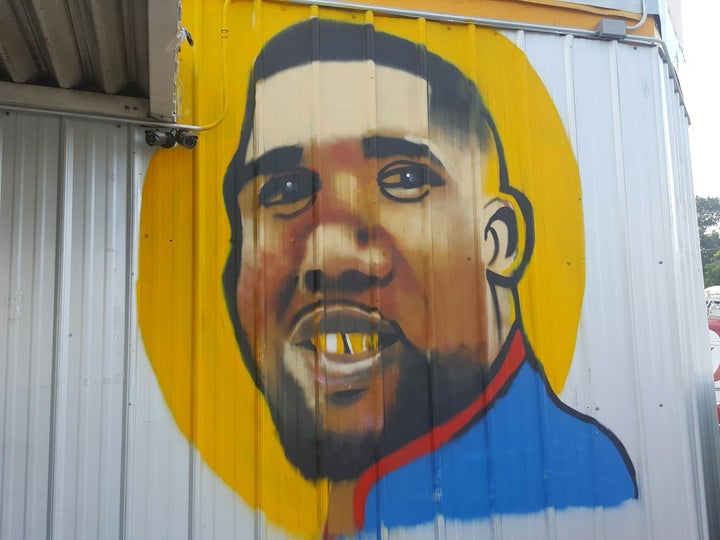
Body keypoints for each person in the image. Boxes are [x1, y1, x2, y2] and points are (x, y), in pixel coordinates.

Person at [222, 19, 637, 535]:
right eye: (282, 189)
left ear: (497, 240)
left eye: (405, 180)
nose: (328, 255)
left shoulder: (581, 495)